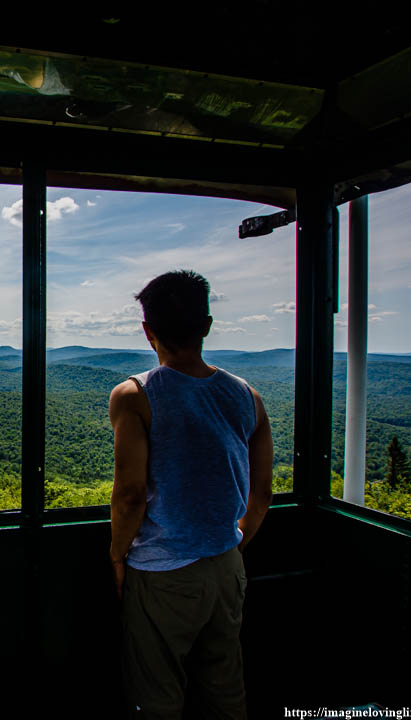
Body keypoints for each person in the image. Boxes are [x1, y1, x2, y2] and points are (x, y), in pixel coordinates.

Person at [108, 270, 273, 719]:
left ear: (148, 331)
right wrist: (234, 540)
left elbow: (130, 496)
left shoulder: (135, 395)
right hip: (226, 564)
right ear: (206, 324)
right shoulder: (248, 396)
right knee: (225, 688)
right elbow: (263, 492)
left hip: (163, 570)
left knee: (157, 694)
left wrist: (118, 557)